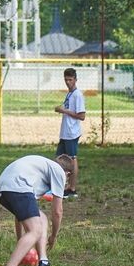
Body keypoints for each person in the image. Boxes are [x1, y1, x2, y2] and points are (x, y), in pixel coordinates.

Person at [0, 154, 73, 266]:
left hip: (2, 189)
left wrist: (21, 240)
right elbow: (58, 211)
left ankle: (43, 262)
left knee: (41, 218)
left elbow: (21, 214)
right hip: (18, 187)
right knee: (35, 230)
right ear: (68, 174)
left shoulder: (39, 172)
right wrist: (53, 236)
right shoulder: (59, 172)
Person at [54, 67, 85, 198]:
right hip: (65, 132)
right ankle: (64, 186)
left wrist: (63, 111)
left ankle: (72, 189)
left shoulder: (78, 95)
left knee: (72, 160)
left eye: (70, 80)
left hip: (72, 132)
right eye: (66, 80)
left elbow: (81, 115)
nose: (68, 82)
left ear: (75, 80)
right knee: (59, 159)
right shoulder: (70, 93)